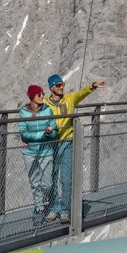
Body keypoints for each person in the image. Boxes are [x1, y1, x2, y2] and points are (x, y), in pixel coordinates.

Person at [42, 74, 106, 222]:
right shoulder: (44, 104)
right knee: (50, 179)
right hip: (50, 145)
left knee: (66, 180)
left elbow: (81, 93)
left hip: (67, 143)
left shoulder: (70, 99)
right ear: (51, 88)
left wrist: (93, 86)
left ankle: (65, 209)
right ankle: (53, 208)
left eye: (62, 84)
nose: (61, 87)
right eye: (58, 85)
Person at [17, 84, 57, 224]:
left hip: (46, 151)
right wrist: (44, 134)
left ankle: (47, 205)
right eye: (39, 95)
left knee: (47, 184)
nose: (42, 97)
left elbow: (55, 131)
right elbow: (24, 134)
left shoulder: (48, 110)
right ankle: (39, 210)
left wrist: (50, 132)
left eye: (43, 94)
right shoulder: (24, 112)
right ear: (32, 97)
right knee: (34, 183)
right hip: (30, 152)